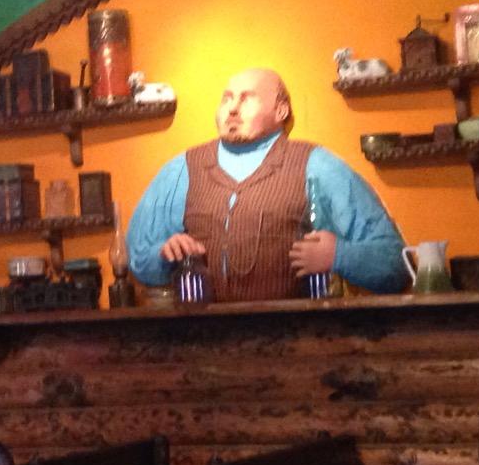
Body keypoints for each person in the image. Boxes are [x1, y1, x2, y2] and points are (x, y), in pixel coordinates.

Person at [125, 67, 405, 301]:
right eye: (226, 99)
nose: (232, 108)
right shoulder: (182, 170)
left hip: (298, 338)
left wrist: (339, 256)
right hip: (203, 339)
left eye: (247, 99)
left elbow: (394, 263)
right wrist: (165, 254)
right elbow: (137, 259)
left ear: (281, 110)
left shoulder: (317, 165)